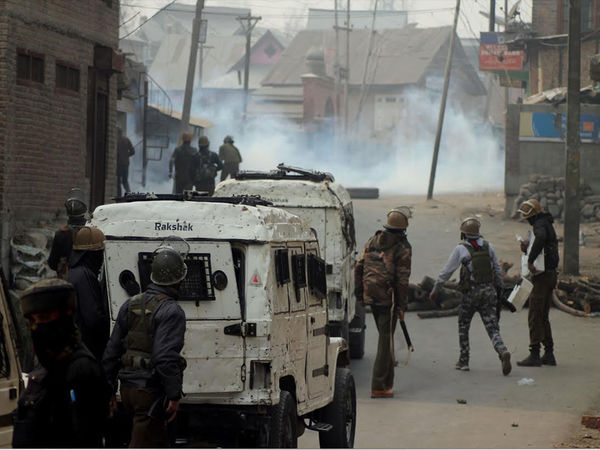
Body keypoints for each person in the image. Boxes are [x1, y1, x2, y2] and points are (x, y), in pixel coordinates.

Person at [102, 244, 187, 447]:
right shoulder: (172, 311)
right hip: (149, 392)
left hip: (127, 390)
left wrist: (109, 391)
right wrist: (174, 395)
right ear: (178, 281)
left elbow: (111, 352)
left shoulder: (130, 304)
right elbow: (165, 358)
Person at [13, 278, 107, 448]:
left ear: (66, 316)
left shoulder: (81, 369)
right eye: (32, 322)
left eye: (43, 318)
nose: (36, 328)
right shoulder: (48, 367)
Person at [430, 217, 511, 376]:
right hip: (489, 292)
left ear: (463, 234)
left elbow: (447, 272)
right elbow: (497, 270)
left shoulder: (460, 249)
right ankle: (502, 351)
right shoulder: (489, 246)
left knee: (464, 325)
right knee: (492, 327)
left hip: (471, 293)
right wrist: (499, 289)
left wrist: (435, 289)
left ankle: (464, 361)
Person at [354, 208, 411, 398]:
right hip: (389, 299)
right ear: (403, 229)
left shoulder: (372, 241)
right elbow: (403, 280)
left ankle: (388, 383)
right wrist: (402, 306)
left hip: (371, 295)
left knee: (387, 339)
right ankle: (378, 386)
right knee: (385, 341)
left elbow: (359, 267)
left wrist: (360, 295)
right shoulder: (403, 247)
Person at [516, 198, 559, 367]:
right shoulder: (546, 223)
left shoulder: (539, 225)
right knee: (543, 316)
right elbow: (542, 242)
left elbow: (540, 238)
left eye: (527, 217)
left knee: (534, 314)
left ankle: (535, 354)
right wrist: (528, 247)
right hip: (551, 275)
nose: (527, 221)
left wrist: (530, 260)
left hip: (542, 277)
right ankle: (549, 353)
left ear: (532, 216)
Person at [66, 226, 110, 361]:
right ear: (92, 255)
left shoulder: (74, 273)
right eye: (99, 254)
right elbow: (93, 318)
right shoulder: (84, 275)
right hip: (86, 350)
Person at [48, 188, 88, 279]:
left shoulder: (61, 234)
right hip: (87, 278)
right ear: (84, 210)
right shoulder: (91, 232)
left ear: (67, 212)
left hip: (66, 281)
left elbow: (52, 263)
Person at [117, 127, 135, 197]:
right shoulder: (126, 140)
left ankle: (119, 197)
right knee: (125, 181)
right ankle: (129, 195)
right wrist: (127, 155)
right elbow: (133, 151)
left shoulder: (116, 141)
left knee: (118, 182)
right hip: (126, 164)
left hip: (118, 164)